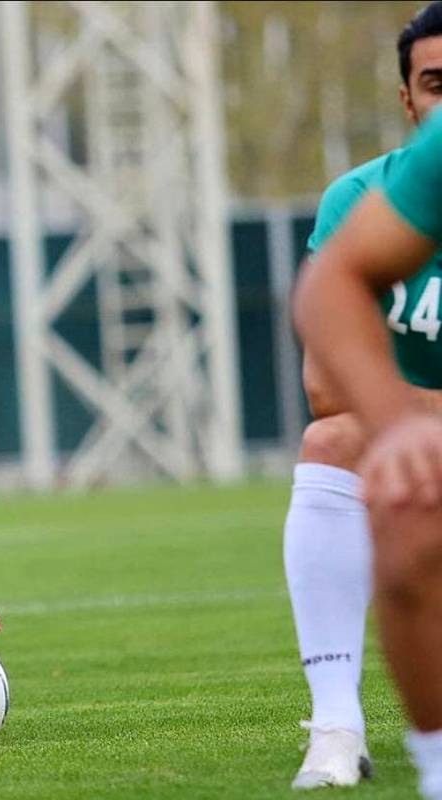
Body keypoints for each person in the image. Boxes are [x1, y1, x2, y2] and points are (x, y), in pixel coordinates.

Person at [285, 3, 442, 789]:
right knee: (340, 446)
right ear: (407, 99)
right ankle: (338, 726)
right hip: (423, 440)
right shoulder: (372, 194)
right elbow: (323, 386)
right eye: (436, 83)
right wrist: (410, 427)